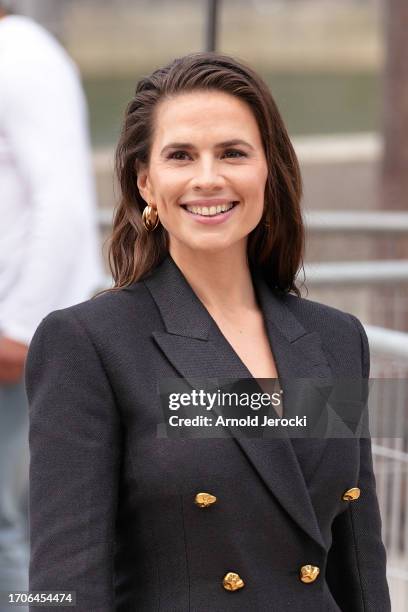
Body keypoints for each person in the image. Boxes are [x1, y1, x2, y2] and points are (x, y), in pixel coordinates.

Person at [25, 52, 390, 611]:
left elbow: (358, 564)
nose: (208, 178)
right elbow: (63, 584)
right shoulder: (90, 343)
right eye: (180, 156)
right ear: (146, 182)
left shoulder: (336, 339)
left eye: (233, 153)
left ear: (268, 168)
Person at [0, 4, 103, 608]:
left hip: (14, 332)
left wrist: (20, 327)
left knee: (8, 525)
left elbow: (62, 202)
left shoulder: (21, 55)